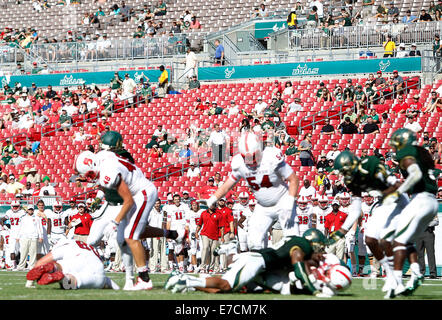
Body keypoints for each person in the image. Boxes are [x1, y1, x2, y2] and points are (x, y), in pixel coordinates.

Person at [75, 148, 185, 291]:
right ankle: (173, 234)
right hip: (139, 190)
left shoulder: (108, 174)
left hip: (142, 193)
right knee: (136, 232)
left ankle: (144, 279)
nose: (89, 177)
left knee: (130, 236)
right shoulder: (102, 156)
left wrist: (115, 222)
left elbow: (128, 201)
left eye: (88, 174)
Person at [165, 229, 337, 297]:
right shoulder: (301, 247)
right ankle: (185, 279)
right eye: (319, 247)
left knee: (222, 290)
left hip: (259, 264)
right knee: (226, 285)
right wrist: (315, 291)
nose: (319, 250)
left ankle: (189, 284)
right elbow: (299, 270)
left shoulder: (296, 241)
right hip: (257, 262)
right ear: (312, 242)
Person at [204, 132, 300, 251]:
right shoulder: (239, 163)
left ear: (260, 150)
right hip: (263, 207)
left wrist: (290, 202)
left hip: (282, 201)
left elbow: (293, 179)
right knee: (254, 243)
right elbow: (226, 186)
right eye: (246, 157)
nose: (250, 161)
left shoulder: (271, 156)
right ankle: (264, 267)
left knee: (294, 242)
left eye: (253, 156)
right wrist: (212, 199)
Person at [383, 129, 438, 298]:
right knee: (406, 240)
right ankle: (416, 273)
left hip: (420, 200)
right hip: (432, 202)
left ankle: (396, 282)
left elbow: (415, 174)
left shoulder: (407, 152)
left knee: (396, 239)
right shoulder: (423, 152)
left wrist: (398, 192)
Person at [25, 238, 120, 290]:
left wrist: (30, 282)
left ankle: (55, 269)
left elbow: (41, 262)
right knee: (75, 281)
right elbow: (107, 280)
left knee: (60, 266)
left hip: (76, 259)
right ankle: (63, 278)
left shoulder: (63, 247)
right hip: (96, 265)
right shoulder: (82, 246)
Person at [196, 201, 223, 273]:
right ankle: (202, 267)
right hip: (205, 234)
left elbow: (221, 227)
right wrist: (196, 232)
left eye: (213, 204)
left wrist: (222, 237)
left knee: (213, 251)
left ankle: (211, 267)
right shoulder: (203, 213)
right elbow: (199, 224)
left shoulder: (218, 214)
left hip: (215, 235)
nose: (211, 206)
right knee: (205, 248)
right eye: (210, 204)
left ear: (215, 205)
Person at [16, 205, 43, 271]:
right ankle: (21, 266)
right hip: (25, 237)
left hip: (34, 237)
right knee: (23, 252)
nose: (30, 211)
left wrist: (40, 236)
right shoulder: (23, 218)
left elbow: (39, 228)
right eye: (29, 209)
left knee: (33, 253)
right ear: (27, 210)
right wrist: (18, 236)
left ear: (33, 210)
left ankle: (32, 266)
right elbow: (20, 228)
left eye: (32, 209)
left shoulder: (37, 218)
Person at [416, 215, 439, 279]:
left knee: (430, 254)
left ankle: (433, 273)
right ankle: (421, 273)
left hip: (428, 233)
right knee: (420, 254)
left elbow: (436, 222)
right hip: (418, 233)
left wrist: (425, 223)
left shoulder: (432, 210)